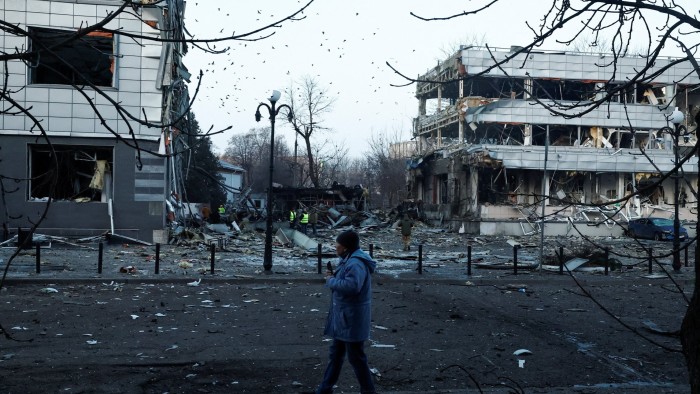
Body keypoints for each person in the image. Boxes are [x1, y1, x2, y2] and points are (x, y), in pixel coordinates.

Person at [316, 230, 377, 394]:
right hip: (344, 318)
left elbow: (352, 286)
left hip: (351, 319)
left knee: (356, 358)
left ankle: (368, 391)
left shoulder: (355, 263)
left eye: (338, 244)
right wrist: (335, 276)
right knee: (336, 355)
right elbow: (347, 280)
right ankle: (324, 389)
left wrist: (331, 280)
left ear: (345, 247)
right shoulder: (348, 259)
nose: (335, 247)